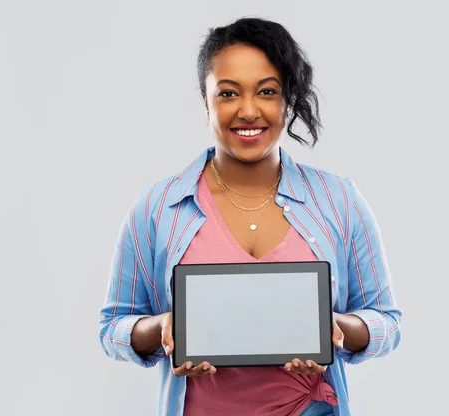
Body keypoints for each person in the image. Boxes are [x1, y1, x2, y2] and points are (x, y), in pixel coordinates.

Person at [99, 17, 402, 416]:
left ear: (287, 101)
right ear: (205, 102)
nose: (247, 110)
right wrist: (162, 329)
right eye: (228, 93)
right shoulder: (157, 207)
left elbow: (387, 323)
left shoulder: (341, 201)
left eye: (267, 91)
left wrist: (339, 330)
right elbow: (113, 327)